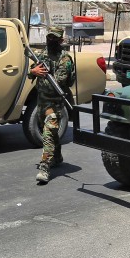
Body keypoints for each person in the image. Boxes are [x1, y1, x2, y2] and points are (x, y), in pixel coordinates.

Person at [30, 26, 75, 185]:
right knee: (50, 132)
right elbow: (30, 72)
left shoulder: (65, 60)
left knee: (48, 133)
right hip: (41, 102)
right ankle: (57, 157)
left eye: (55, 38)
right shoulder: (41, 55)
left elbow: (67, 81)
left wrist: (52, 77)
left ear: (61, 40)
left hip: (55, 104)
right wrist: (33, 71)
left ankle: (45, 168)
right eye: (49, 38)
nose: (51, 41)